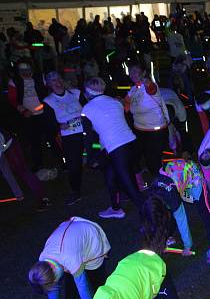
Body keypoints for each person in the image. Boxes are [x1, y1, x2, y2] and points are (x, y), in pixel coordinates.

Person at [28, 217, 111, 299]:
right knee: (71, 277)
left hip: (90, 238)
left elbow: (82, 286)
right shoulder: (43, 261)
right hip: (70, 243)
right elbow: (50, 286)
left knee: (97, 278)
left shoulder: (69, 259)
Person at [81, 77, 144, 218]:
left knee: (132, 190)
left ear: (87, 92)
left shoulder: (87, 109)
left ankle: (158, 223)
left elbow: (89, 137)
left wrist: (90, 158)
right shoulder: (115, 102)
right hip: (132, 144)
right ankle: (115, 208)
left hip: (118, 150)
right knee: (111, 173)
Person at [149, 159, 210, 264]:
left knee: (204, 210)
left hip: (193, 176)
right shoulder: (152, 194)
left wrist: (187, 246)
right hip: (175, 178)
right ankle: (168, 235)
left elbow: (182, 220)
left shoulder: (171, 197)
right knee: (169, 213)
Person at [44, 71, 84, 205]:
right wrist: (59, 126)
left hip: (86, 132)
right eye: (53, 80)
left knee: (99, 155)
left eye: (59, 79)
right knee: (73, 166)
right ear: (49, 84)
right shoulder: (48, 101)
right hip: (69, 137)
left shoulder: (76, 93)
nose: (58, 82)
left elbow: (89, 108)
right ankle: (75, 192)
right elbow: (49, 123)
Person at [125, 63, 169, 176]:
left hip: (156, 129)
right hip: (140, 129)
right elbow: (126, 106)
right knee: (149, 157)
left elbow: (152, 89)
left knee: (162, 156)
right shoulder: (133, 89)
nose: (132, 74)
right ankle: (157, 180)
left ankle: (169, 180)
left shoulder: (149, 85)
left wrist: (147, 82)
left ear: (143, 72)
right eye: (130, 71)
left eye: (135, 71)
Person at [0, 128, 50, 210]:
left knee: (23, 171)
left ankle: (42, 198)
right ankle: (25, 195)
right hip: (6, 147)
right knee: (17, 172)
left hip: (10, 146)